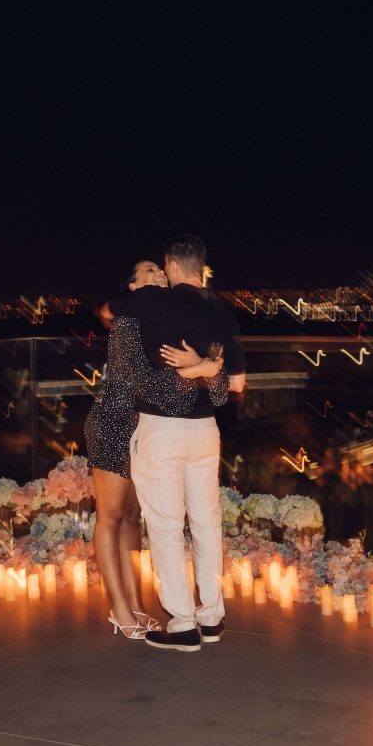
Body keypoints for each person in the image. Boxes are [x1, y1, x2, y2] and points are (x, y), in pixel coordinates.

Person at [107, 234, 246, 652]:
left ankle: (184, 625)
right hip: (204, 431)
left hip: (163, 430)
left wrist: (195, 369)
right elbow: (234, 385)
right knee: (206, 524)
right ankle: (212, 618)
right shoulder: (221, 314)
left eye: (159, 268)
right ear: (201, 265)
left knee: (167, 527)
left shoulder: (149, 304)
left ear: (170, 264)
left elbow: (109, 312)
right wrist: (206, 367)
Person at [85, 259, 228, 640]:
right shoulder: (127, 324)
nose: (159, 274)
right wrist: (201, 370)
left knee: (134, 519)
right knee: (111, 517)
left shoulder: (171, 319)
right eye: (148, 271)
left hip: (151, 429)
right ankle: (119, 609)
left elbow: (217, 388)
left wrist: (206, 370)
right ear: (132, 289)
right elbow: (146, 385)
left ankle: (137, 604)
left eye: (160, 270)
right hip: (117, 424)